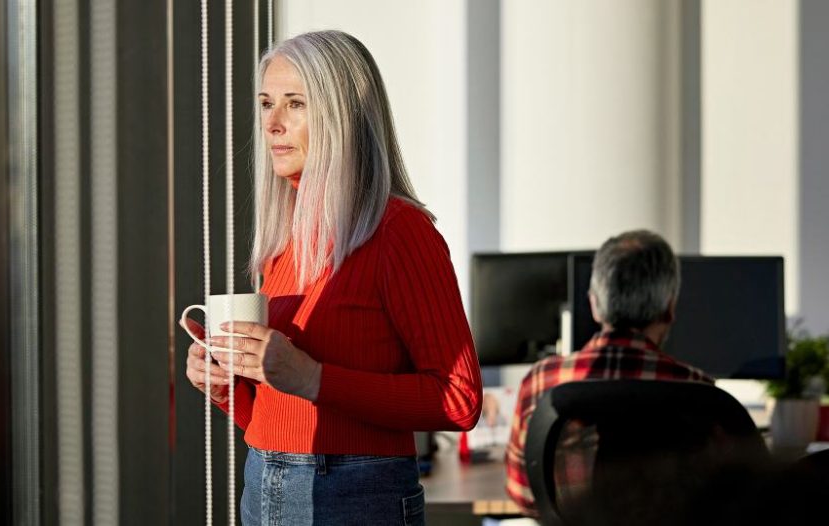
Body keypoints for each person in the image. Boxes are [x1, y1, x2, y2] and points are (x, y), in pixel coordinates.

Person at [183, 30, 482, 525]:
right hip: (264, 480)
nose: (272, 124)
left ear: (342, 115)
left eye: (295, 104)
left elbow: (459, 399)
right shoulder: (285, 237)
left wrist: (312, 376)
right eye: (266, 103)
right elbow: (278, 416)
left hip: (355, 491)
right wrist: (225, 387)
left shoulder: (399, 231)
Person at [504, 230, 715, 517]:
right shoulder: (700, 393)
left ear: (594, 304)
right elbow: (737, 501)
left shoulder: (541, 383)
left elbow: (524, 494)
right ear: (669, 308)